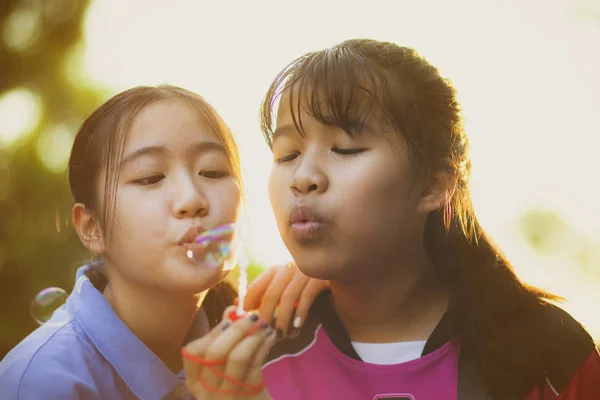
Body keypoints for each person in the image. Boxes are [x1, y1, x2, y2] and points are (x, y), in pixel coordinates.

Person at [238, 39, 600, 399]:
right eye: (287, 155)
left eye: (346, 149)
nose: (303, 177)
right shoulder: (245, 359)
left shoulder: (547, 354)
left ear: (433, 185)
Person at [0, 85, 300, 400]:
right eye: (150, 177)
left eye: (212, 172)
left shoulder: (273, 347)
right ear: (92, 228)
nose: (192, 199)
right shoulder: (43, 382)